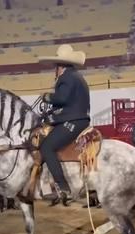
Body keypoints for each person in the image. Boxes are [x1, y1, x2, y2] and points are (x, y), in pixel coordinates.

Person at [37, 44, 90, 205]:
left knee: (46, 147)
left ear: (60, 66)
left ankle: (63, 187)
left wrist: (47, 97)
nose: (55, 69)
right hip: (79, 118)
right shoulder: (77, 76)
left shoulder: (66, 77)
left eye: (56, 66)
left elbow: (62, 99)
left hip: (73, 121)